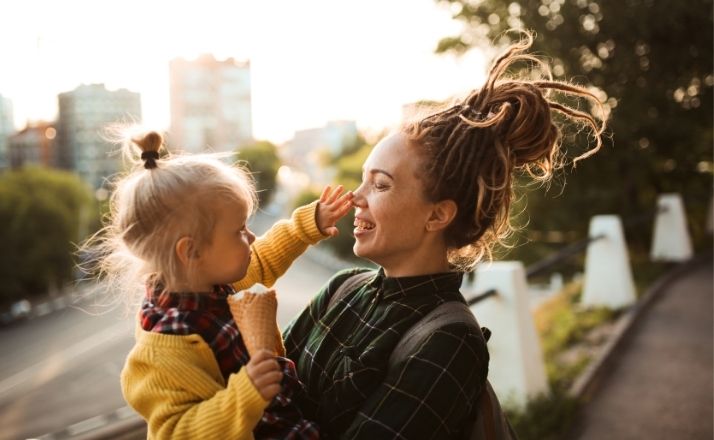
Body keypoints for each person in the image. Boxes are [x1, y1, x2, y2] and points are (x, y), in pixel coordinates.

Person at [281, 31, 606, 439]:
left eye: (380, 185)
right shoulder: (341, 289)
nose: (356, 197)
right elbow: (254, 383)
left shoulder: (450, 342)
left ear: (437, 215)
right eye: (363, 181)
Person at [84, 129, 353, 439]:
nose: (251, 237)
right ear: (191, 251)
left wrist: (307, 225)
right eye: (239, 230)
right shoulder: (162, 350)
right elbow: (176, 431)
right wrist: (245, 393)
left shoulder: (218, 283)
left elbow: (262, 259)